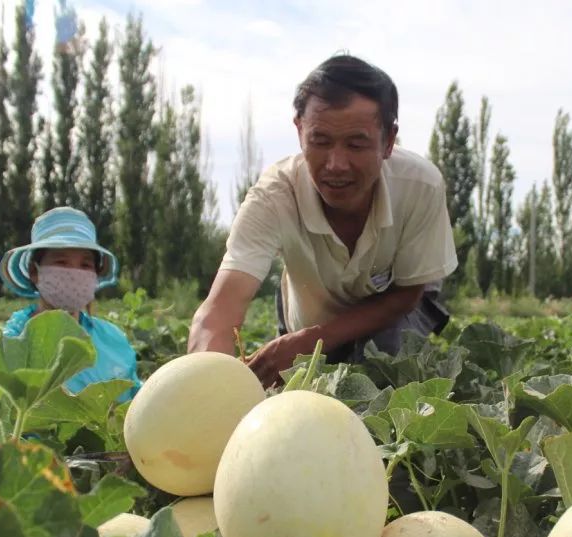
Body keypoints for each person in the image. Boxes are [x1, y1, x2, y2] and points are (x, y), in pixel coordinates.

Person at [188, 55, 459, 387]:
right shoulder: (273, 196)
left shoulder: (420, 186)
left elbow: (408, 293)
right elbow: (218, 313)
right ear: (300, 130)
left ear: (389, 141)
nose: (336, 164)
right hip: (306, 313)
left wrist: (312, 341)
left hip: (390, 313)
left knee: (386, 374)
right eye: (320, 141)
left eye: (356, 144)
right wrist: (204, 387)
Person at [0, 207, 142, 401]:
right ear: (34, 271)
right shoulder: (5, 352)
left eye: (85, 265)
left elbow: (139, 404)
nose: (74, 274)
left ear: (95, 275)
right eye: (61, 262)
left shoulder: (114, 341)